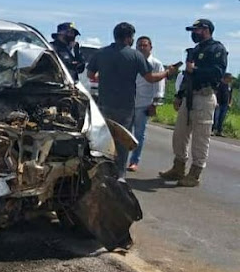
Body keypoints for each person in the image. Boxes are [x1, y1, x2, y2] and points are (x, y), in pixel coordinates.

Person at [87, 22, 176, 179]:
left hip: (104, 104)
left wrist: (107, 76)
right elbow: (150, 78)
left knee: (103, 138)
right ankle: (119, 176)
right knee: (122, 142)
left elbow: (90, 75)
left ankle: (100, 172)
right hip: (125, 106)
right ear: (129, 38)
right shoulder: (135, 56)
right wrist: (167, 73)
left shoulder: (101, 53)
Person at [159, 19, 227, 187]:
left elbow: (217, 73)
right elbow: (187, 76)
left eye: (196, 30)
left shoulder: (217, 49)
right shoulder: (195, 50)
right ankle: (178, 167)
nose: (193, 34)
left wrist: (195, 70)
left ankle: (195, 173)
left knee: (200, 137)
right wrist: (179, 94)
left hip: (204, 97)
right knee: (180, 134)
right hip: (189, 96)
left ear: (206, 30)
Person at [127, 36, 165, 172]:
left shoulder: (155, 64)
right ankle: (120, 159)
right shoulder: (131, 61)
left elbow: (159, 85)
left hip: (144, 103)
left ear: (150, 47)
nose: (142, 48)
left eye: (145, 45)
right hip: (128, 102)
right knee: (124, 133)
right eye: (139, 46)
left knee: (139, 134)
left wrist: (154, 104)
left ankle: (134, 161)